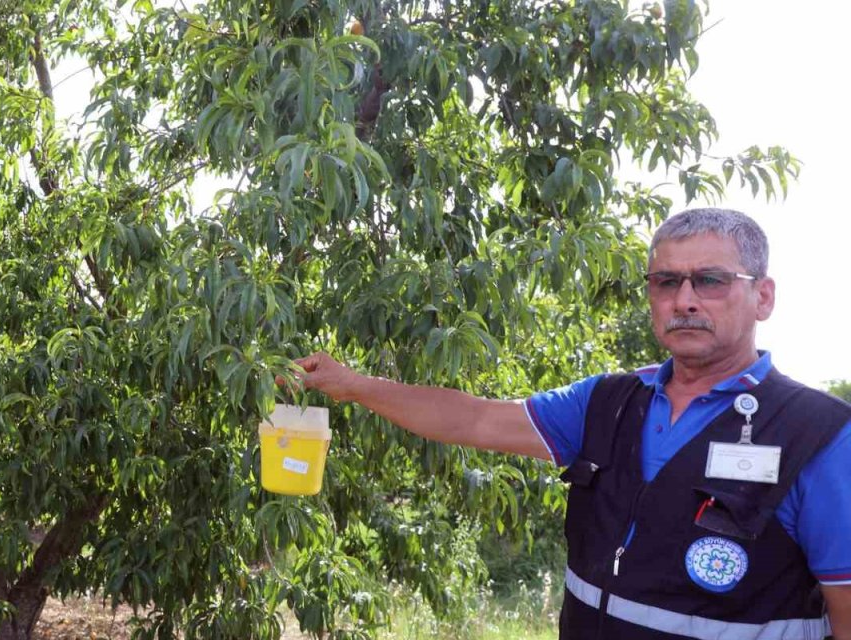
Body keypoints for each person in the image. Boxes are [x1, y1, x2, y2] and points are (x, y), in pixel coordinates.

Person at [284, 208, 851, 639]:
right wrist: (350, 384)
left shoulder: (818, 434)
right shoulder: (609, 401)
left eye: (710, 280)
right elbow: (475, 418)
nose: (685, 300)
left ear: (763, 296)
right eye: (665, 282)